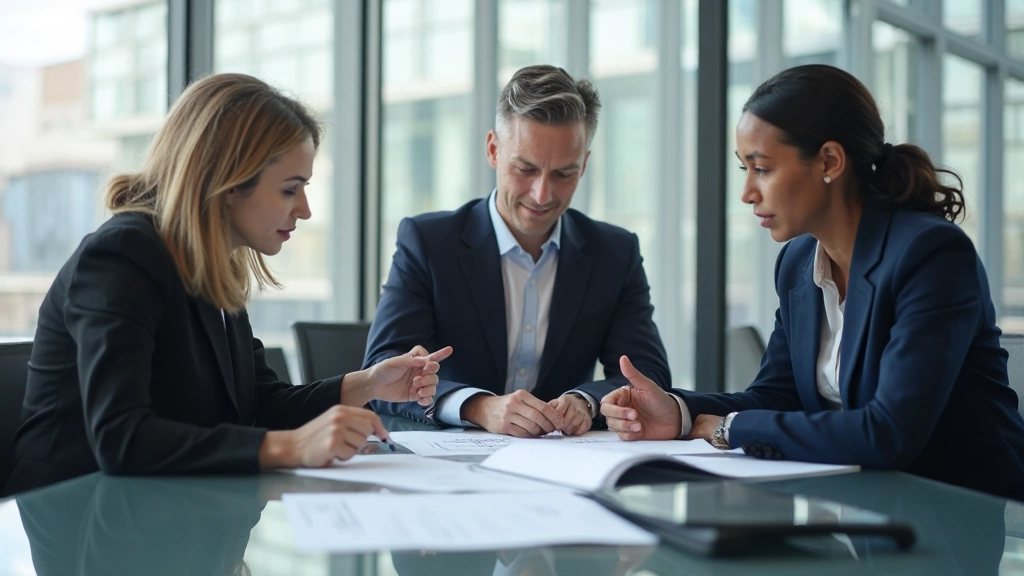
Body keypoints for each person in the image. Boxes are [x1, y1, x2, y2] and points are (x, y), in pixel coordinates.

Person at [2, 73, 451, 496]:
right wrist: (292, 448)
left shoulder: (214, 266)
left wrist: (368, 384)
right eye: (290, 189)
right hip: (80, 519)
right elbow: (122, 438)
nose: (306, 210)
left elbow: (257, 404)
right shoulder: (122, 256)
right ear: (228, 182)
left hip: (165, 509)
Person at [601, 64, 1024, 500]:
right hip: (864, 510)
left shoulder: (931, 254)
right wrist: (682, 414)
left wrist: (731, 429)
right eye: (744, 169)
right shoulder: (799, 262)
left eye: (761, 169)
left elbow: (889, 432)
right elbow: (778, 395)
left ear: (829, 161)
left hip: (971, 515)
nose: (747, 192)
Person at [365, 64, 670, 437]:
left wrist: (585, 402)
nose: (542, 195)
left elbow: (648, 377)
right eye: (525, 169)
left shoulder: (615, 253)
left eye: (563, 174)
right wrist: (477, 406)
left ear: (584, 164)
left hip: (566, 469)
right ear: (493, 150)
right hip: (448, 471)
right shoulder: (428, 243)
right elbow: (382, 372)